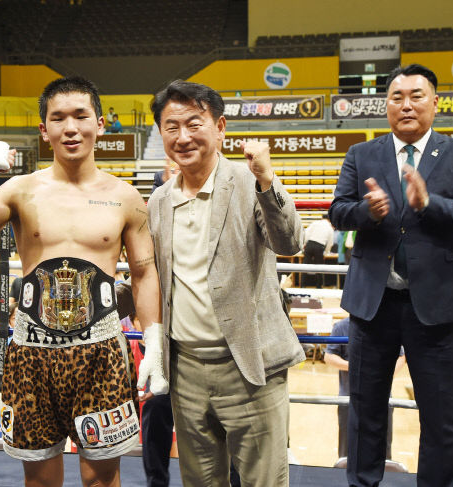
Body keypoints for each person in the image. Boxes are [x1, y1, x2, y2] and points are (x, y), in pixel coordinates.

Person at [0, 76, 162, 487]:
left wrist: (154, 343)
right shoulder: (20, 190)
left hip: (101, 354)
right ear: (44, 130)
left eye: (80, 116)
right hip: (31, 354)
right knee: (40, 481)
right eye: (58, 118)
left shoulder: (125, 197)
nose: (70, 127)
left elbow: (145, 272)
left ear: (99, 123)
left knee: (101, 480)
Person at [328, 64, 453, 487]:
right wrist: (369, 211)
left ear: (435, 102)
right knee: (365, 411)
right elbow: (338, 211)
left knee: (440, 416)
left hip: (435, 308)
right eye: (396, 97)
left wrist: (430, 202)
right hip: (372, 306)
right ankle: (362, 483)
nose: (406, 104)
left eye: (416, 95)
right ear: (385, 104)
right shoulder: (361, 154)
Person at [145, 80, 304, 487]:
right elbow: (158, 280)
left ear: (220, 127)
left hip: (251, 366)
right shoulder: (159, 201)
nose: (182, 137)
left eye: (194, 124)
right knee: (200, 481)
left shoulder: (249, 182)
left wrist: (267, 178)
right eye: (171, 126)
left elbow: (289, 242)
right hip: (187, 370)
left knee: (263, 480)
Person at [324, 317, 406, 460]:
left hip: (382, 396)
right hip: (348, 397)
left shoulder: (388, 323)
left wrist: (386, 373)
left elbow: (401, 356)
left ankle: (384, 477)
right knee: (347, 446)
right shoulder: (341, 326)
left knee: (383, 446)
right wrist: (356, 368)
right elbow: (329, 356)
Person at [302, 214, 334, 288]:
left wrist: (304, 244)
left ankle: (303, 285)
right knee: (319, 267)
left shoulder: (315, 223)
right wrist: (326, 253)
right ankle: (319, 286)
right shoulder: (329, 228)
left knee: (304, 266)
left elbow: (306, 233)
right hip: (319, 246)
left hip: (309, 244)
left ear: (322, 218)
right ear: (329, 220)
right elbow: (330, 243)